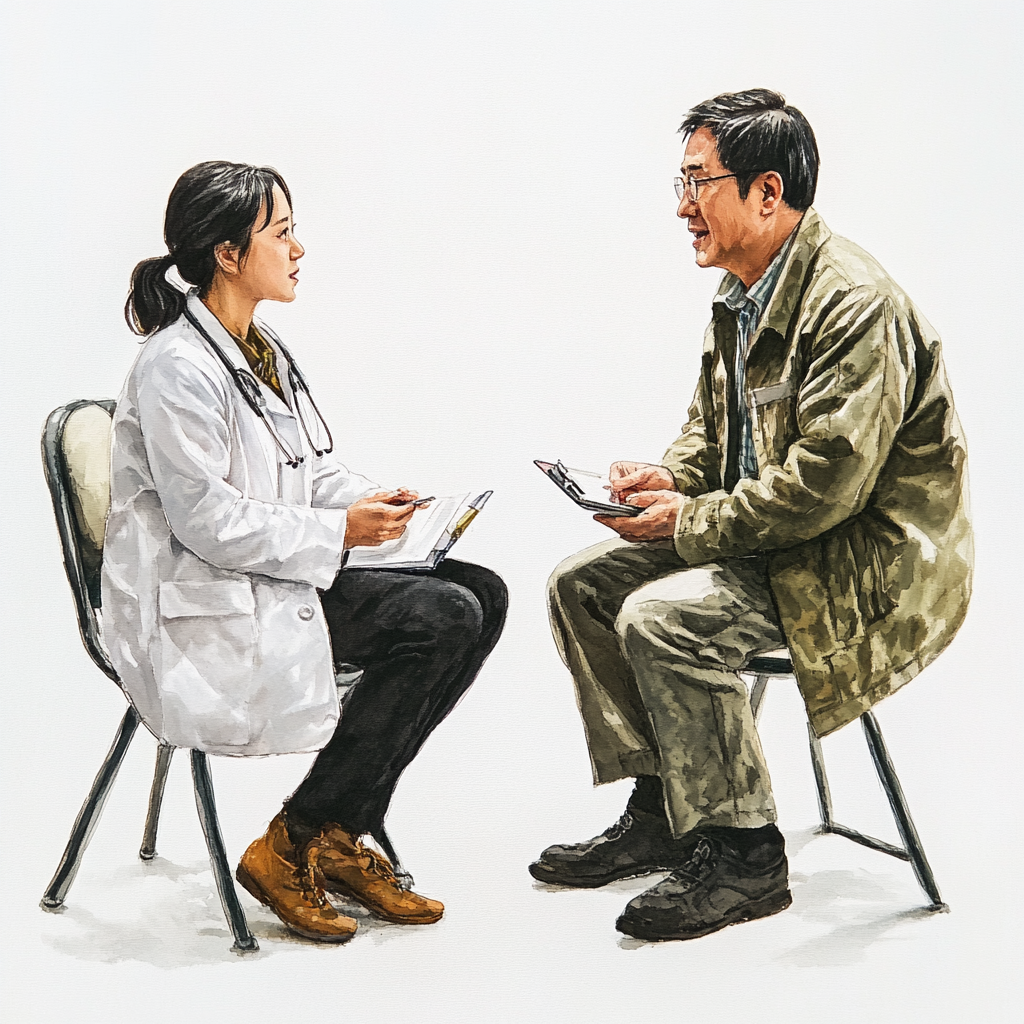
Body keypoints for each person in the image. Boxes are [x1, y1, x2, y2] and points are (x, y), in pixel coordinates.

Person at [531, 89, 972, 942]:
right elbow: (714, 433)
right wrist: (669, 476)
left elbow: (825, 488)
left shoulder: (855, 303)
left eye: (698, 183)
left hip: (863, 563)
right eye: (683, 183)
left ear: (767, 193)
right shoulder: (743, 295)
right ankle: (668, 809)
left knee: (662, 619)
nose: (682, 206)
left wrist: (686, 522)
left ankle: (745, 858)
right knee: (581, 586)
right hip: (776, 542)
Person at [103, 160, 507, 944]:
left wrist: (378, 505)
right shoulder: (176, 367)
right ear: (227, 253)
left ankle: (335, 832)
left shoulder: (259, 348)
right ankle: (298, 840)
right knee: (442, 616)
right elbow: (206, 522)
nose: (298, 249)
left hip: (265, 574)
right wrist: (339, 533)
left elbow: (309, 470)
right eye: (282, 234)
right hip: (204, 601)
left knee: (483, 593)